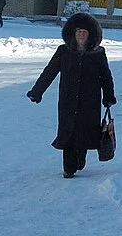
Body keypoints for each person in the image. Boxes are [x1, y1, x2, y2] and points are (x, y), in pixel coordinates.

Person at [27, 12, 116, 178]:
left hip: (90, 102)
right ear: (73, 34)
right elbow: (49, 72)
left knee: (84, 132)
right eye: (78, 32)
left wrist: (109, 97)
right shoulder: (63, 51)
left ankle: (80, 158)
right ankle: (68, 168)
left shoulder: (98, 54)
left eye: (84, 32)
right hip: (68, 101)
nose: (81, 35)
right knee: (68, 132)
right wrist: (37, 92)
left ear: (90, 35)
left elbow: (106, 76)